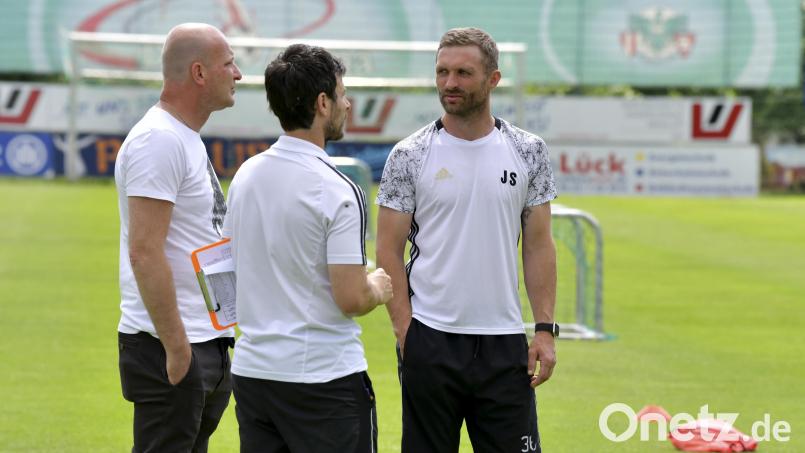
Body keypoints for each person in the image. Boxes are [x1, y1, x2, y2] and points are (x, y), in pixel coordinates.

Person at [376, 27, 559, 453]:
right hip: (430, 338)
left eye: (463, 73)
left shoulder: (528, 150)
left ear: (493, 79)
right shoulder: (409, 154)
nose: (450, 83)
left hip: (504, 343)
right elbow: (387, 249)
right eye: (442, 72)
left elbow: (538, 245)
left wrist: (545, 330)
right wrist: (406, 332)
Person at [223, 43, 393, 453]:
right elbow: (351, 297)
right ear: (322, 103)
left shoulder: (245, 175)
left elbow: (227, 268)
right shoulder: (338, 188)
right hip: (324, 380)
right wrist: (378, 286)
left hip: (254, 374)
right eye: (341, 94)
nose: (347, 104)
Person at [114, 23, 242, 452]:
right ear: (199, 73)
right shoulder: (159, 140)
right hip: (171, 344)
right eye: (228, 64)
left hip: (203, 339)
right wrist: (177, 348)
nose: (238, 73)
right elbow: (145, 252)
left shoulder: (182, 136)